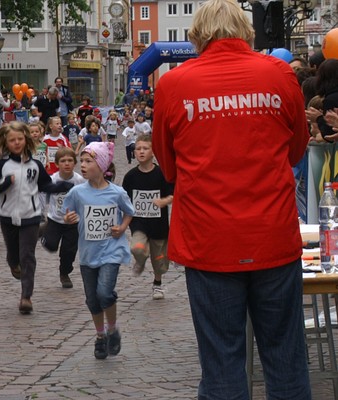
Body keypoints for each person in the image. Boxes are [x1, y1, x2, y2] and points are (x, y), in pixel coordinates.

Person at [151, 0, 311, 397]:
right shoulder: (278, 74)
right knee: (285, 356)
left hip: (209, 239)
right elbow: (297, 150)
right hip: (271, 233)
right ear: (246, 30)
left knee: (222, 360)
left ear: (196, 35)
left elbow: (167, 166)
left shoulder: (174, 83)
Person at [0, 121, 74, 314]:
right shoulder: (1, 164)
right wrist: (5, 183)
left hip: (31, 216)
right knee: (13, 256)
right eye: (12, 140)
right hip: (8, 216)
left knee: (27, 256)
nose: (17, 143)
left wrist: (66, 186)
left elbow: (45, 186)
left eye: (20, 139)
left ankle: (26, 297)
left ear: (26, 139)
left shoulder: (35, 165)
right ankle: (13, 265)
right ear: (6, 142)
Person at [63, 141, 134, 360]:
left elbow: (128, 212)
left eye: (88, 161)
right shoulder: (77, 192)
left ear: (102, 166)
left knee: (104, 293)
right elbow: (67, 213)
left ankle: (112, 329)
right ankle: (101, 336)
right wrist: (68, 219)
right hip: (87, 254)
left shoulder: (116, 192)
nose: (82, 165)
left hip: (111, 250)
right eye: (81, 161)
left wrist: (121, 227)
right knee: (92, 300)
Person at [121, 135, 173, 300]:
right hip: (139, 224)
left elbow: (174, 195)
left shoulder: (162, 174)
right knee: (137, 248)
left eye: (145, 148)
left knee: (160, 263)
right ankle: (141, 261)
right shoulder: (130, 176)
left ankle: (157, 283)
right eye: (138, 149)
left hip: (159, 226)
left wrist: (163, 201)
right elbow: (124, 200)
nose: (141, 152)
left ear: (153, 152)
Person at [40, 147, 85, 289]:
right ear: (57, 163)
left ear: (75, 163)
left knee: (69, 251)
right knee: (51, 245)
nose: (67, 163)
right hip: (55, 219)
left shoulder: (80, 180)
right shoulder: (52, 179)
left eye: (70, 160)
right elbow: (42, 196)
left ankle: (64, 273)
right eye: (63, 161)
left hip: (73, 221)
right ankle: (42, 232)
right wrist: (40, 214)